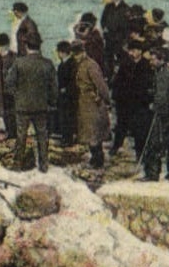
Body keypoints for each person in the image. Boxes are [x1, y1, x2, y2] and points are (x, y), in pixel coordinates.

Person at [6, 37, 57, 173]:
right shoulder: (48, 63)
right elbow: (54, 87)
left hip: (22, 106)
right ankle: (44, 165)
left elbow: (9, 83)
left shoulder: (19, 63)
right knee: (42, 135)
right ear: (39, 47)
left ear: (27, 47)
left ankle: (17, 164)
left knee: (21, 135)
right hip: (41, 106)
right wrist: (51, 102)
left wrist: (17, 96)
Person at [142, 46, 169, 181]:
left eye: (153, 59)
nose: (150, 62)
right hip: (162, 113)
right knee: (159, 144)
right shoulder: (158, 72)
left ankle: (168, 174)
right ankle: (158, 174)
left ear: (161, 60)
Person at [109, 39, 154, 160]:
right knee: (121, 126)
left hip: (140, 103)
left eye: (134, 50)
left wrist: (148, 100)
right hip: (124, 102)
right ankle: (116, 146)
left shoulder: (146, 65)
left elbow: (149, 85)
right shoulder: (125, 64)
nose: (131, 53)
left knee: (140, 130)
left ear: (140, 51)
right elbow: (117, 83)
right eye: (130, 50)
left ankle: (140, 154)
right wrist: (115, 98)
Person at [73, 40, 111, 169]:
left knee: (94, 133)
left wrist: (106, 99)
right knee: (91, 133)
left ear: (83, 52)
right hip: (85, 102)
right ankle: (95, 159)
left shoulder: (90, 65)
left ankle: (98, 160)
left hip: (92, 103)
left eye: (78, 53)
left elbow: (100, 85)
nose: (76, 57)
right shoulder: (82, 64)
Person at [0, 33, 17, 139]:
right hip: (0, 88)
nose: (2, 48)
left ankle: (13, 133)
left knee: (12, 111)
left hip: (11, 89)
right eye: (0, 45)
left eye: (4, 45)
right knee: (4, 111)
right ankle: (9, 131)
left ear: (8, 44)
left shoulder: (14, 57)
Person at [54, 40, 78, 144]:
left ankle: (68, 139)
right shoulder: (65, 64)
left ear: (62, 52)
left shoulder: (71, 64)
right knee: (65, 117)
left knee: (68, 117)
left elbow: (74, 80)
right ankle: (66, 137)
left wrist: (66, 89)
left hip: (69, 96)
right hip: (64, 96)